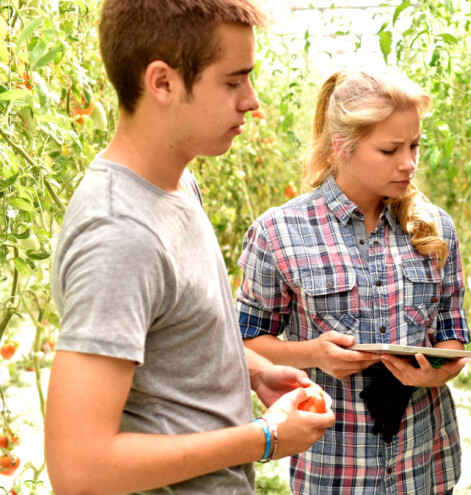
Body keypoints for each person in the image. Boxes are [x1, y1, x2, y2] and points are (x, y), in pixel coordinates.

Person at [45, 1, 336, 493]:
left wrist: (255, 371)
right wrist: (264, 438)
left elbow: (168, 340)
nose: (252, 100)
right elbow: (79, 467)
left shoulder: (176, 187)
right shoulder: (120, 234)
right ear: (162, 82)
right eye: (233, 80)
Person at [235, 69, 469, 494]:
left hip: (426, 464)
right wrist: (312, 354)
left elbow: (452, 334)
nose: (409, 162)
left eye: (414, 145)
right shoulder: (279, 233)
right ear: (341, 147)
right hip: (335, 468)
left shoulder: (433, 228)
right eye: (389, 149)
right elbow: (242, 343)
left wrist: (438, 371)